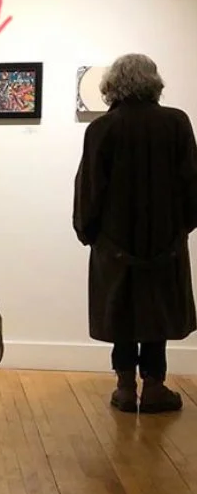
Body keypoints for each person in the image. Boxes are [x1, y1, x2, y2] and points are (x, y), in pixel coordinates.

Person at [74, 53, 197, 414]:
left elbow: (90, 189)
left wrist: (89, 232)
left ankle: (125, 387)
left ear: (113, 86)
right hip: (166, 242)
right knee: (155, 312)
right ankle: (155, 386)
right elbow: (192, 185)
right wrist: (180, 231)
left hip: (113, 243)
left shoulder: (102, 129)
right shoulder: (176, 123)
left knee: (121, 310)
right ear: (153, 82)